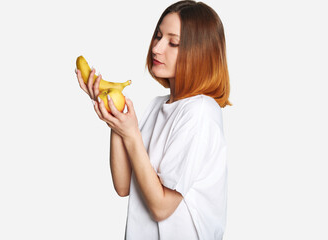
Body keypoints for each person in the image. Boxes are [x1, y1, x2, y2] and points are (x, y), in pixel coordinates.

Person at [75, 0, 231, 239]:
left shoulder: (200, 112)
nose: (157, 48)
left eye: (173, 42)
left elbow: (161, 207)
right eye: (158, 36)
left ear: (200, 52)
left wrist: (131, 134)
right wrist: (115, 120)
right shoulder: (158, 106)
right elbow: (123, 186)